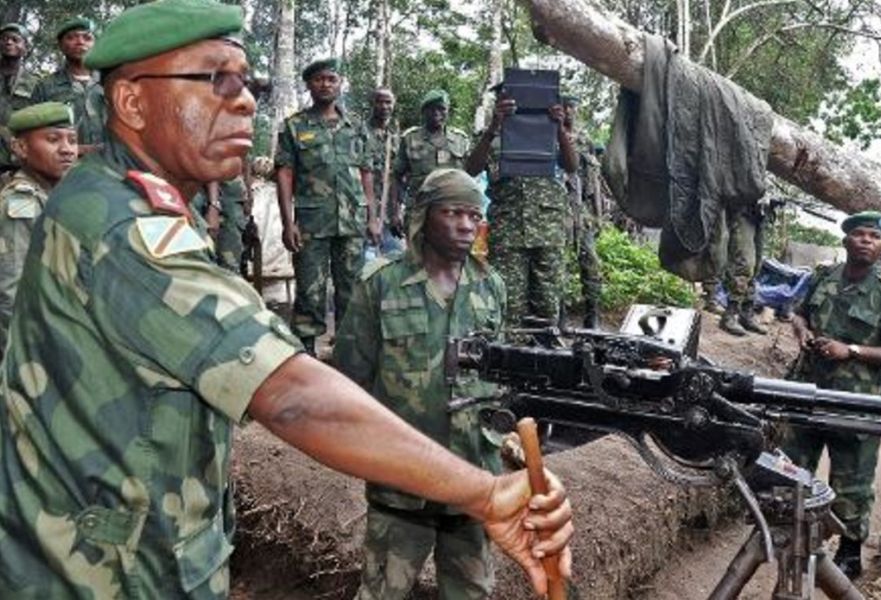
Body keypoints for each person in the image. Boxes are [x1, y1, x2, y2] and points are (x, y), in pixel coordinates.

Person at [0, 2, 573, 598]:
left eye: (245, 82)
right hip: (98, 572)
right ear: (132, 102)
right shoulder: (121, 227)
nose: (245, 101)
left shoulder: (135, 200)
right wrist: (486, 493)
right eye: (215, 80)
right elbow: (294, 395)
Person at [334, 168, 506, 599]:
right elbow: (350, 379)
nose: (466, 225)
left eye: (474, 215)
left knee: (471, 592)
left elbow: (501, 385)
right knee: (381, 592)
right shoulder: (381, 283)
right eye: (453, 213)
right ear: (424, 216)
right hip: (401, 482)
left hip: (471, 477)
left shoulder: (491, 287)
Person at [783, 210, 881, 580]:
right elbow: (798, 313)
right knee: (791, 467)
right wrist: (802, 331)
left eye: (873, 236)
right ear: (846, 240)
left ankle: (849, 554)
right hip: (808, 391)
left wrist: (850, 350)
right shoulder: (822, 276)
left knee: (852, 478)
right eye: (859, 234)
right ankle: (790, 537)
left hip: (857, 402)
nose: (866, 240)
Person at [275, 57, 380, 356]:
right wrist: (288, 222)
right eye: (319, 79)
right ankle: (306, 355)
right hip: (312, 224)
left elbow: (366, 173)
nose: (325, 84)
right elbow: (284, 174)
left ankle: (347, 355)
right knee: (310, 290)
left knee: (352, 289)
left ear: (340, 84)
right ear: (309, 85)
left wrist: (373, 217)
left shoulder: (356, 126)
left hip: (352, 222)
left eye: (331, 79)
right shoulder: (294, 126)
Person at [466, 93, 577, 326]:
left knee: (547, 305)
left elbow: (571, 165)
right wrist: (493, 128)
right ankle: (508, 348)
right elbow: (471, 169)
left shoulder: (551, 130)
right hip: (508, 229)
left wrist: (558, 129)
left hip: (548, 230)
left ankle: (545, 348)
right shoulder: (491, 135)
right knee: (507, 304)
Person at [0, 101, 76, 352]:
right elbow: (11, 291)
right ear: (20, 148)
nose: (67, 150)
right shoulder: (21, 204)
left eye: (72, 140)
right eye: (53, 139)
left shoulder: (58, 194)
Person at [392, 89, 469, 233]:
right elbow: (397, 176)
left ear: (448, 111)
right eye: (431, 109)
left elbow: (470, 177)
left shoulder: (460, 139)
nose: (436, 113)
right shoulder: (410, 138)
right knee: (416, 248)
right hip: (419, 211)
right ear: (423, 111)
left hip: (451, 212)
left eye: (441, 109)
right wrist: (396, 212)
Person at [31, 17, 106, 156]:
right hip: (63, 162)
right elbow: (35, 131)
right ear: (60, 45)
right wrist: (75, 149)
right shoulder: (45, 86)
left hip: (110, 162)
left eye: (87, 38)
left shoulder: (111, 82)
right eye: (71, 37)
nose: (80, 42)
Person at [561, 95, 603, 328]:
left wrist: (598, 215)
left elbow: (594, 180)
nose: (569, 111)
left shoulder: (585, 140)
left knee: (591, 262)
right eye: (565, 106)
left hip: (583, 211)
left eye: (572, 107)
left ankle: (592, 315)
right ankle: (560, 315)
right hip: (559, 208)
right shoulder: (550, 135)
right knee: (560, 263)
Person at [715, 199, 768, 336]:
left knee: (756, 267)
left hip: (759, 213)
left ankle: (746, 314)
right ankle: (730, 315)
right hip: (742, 210)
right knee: (744, 264)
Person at [365, 87, 403, 255]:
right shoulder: (360, 133)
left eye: (388, 102)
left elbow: (397, 176)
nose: (384, 106)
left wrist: (396, 211)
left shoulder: (395, 137)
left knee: (394, 259)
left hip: (388, 212)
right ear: (372, 104)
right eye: (379, 102)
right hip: (363, 211)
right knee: (364, 263)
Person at [0, 23, 38, 172]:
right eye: (4, 39)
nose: (9, 42)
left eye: (15, 39)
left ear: (25, 47)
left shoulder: (36, 83)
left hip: (18, 161)